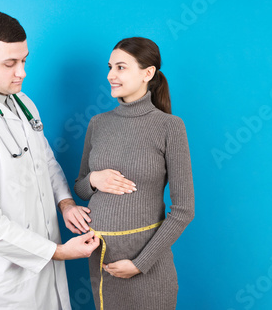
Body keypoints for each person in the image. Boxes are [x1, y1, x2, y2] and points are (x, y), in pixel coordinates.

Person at [0, 12, 99, 310]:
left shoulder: (23, 103)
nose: (21, 72)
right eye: (10, 64)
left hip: (45, 260)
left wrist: (65, 203)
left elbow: (45, 160)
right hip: (3, 282)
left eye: (24, 60)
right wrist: (59, 252)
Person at [74, 37, 195, 310]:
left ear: (147, 73)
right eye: (109, 67)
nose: (110, 75)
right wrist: (94, 180)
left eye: (120, 67)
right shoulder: (99, 123)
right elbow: (80, 187)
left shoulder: (169, 127)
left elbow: (184, 209)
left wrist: (139, 264)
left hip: (147, 267)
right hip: (103, 262)